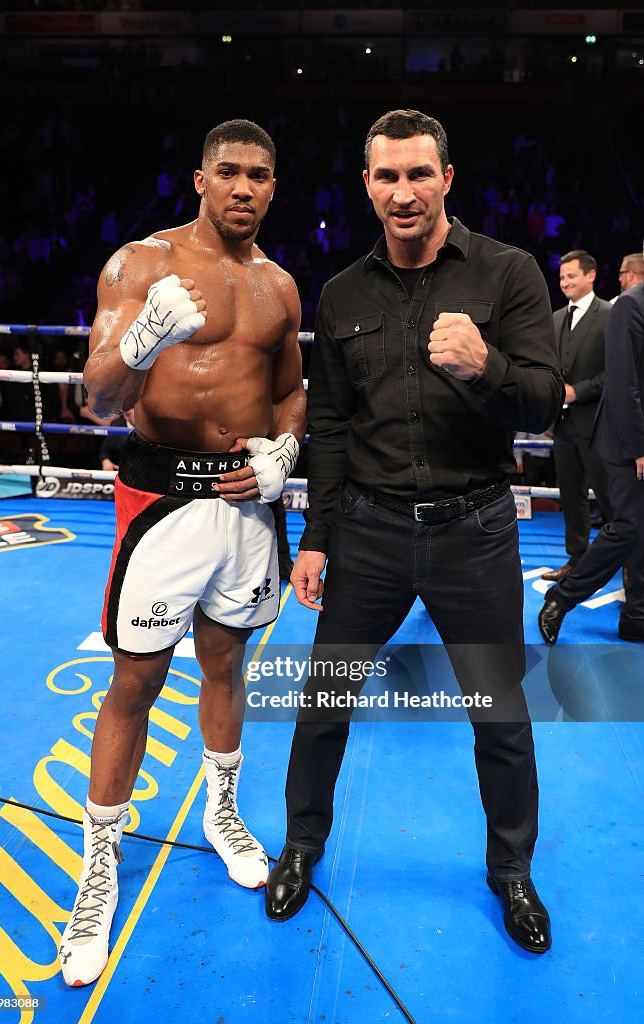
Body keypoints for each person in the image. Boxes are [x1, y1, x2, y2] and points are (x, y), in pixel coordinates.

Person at [264, 109, 563, 954]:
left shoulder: (508, 275)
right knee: (323, 702)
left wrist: (489, 366)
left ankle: (510, 871)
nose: (403, 192)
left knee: (500, 715)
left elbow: (545, 402)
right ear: (366, 185)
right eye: (386, 176)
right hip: (365, 530)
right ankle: (302, 845)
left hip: (474, 529)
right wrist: (314, 537)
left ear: (446, 179)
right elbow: (328, 424)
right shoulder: (343, 294)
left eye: (417, 175)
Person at [59, 119, 305, 987]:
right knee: (135, 681)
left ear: (274, 188)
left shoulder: (279, 286)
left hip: (245, 502)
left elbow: (289, 393)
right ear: (198, 179)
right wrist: (139, 344)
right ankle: (99, 870)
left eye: (260, 176)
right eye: (229, 172)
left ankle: (223, 814)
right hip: (158, 496)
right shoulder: (139, 264)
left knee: (227, 667)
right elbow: (96, 401)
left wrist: (286, 451)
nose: (244, 188)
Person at [539, 280, 644, 644]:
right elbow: (622, 383)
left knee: (640, 529)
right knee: (629, 525)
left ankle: (636, 617)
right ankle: (563, 597)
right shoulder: (630, 305)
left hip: (630, 437)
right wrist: (638, 447)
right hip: (626, 439)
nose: (564, 282)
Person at [541, 251, 613, 583]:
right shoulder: (555, 319)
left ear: (591, 275)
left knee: (611, 499)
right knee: (571, 498)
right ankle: (576, 560)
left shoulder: (610, 314)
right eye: (561, 277)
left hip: (600, 425)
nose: (565, 282)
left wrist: (577, 391)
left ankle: (625, 563)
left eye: (571, 275)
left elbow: (617, 373)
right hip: (564, 427)